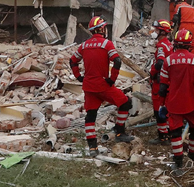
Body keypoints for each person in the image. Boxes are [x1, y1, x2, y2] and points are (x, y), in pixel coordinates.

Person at [69, 16, 134, 156]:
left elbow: (72, 61)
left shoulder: (84, 45)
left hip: (89, 86)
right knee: (125, 103)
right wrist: (112, 79)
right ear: (103, 29)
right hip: (103, 86)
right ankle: (119, 132)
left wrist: (79, 77)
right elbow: (117, 61)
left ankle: (93, 147)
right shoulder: (107, 44)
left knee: (90, 116)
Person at [157, 29, 194, 173]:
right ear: (189, 44)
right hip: (190, 103)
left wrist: (162, 104)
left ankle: (178, 163)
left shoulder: (168, 60)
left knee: (175, 133)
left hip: (173, 103)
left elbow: (162, 86)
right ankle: (193, 157)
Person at [148, 19, 173, 144]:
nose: (154, 31)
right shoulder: (169, 44)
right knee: (166, 108)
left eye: (157, 30)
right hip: (167, 81)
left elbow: (160, 62)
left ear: (163, 32)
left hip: (159, 82)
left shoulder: (162, 46)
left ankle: (163, 136)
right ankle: (168, 132)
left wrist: (153, 74)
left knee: (158, 109)